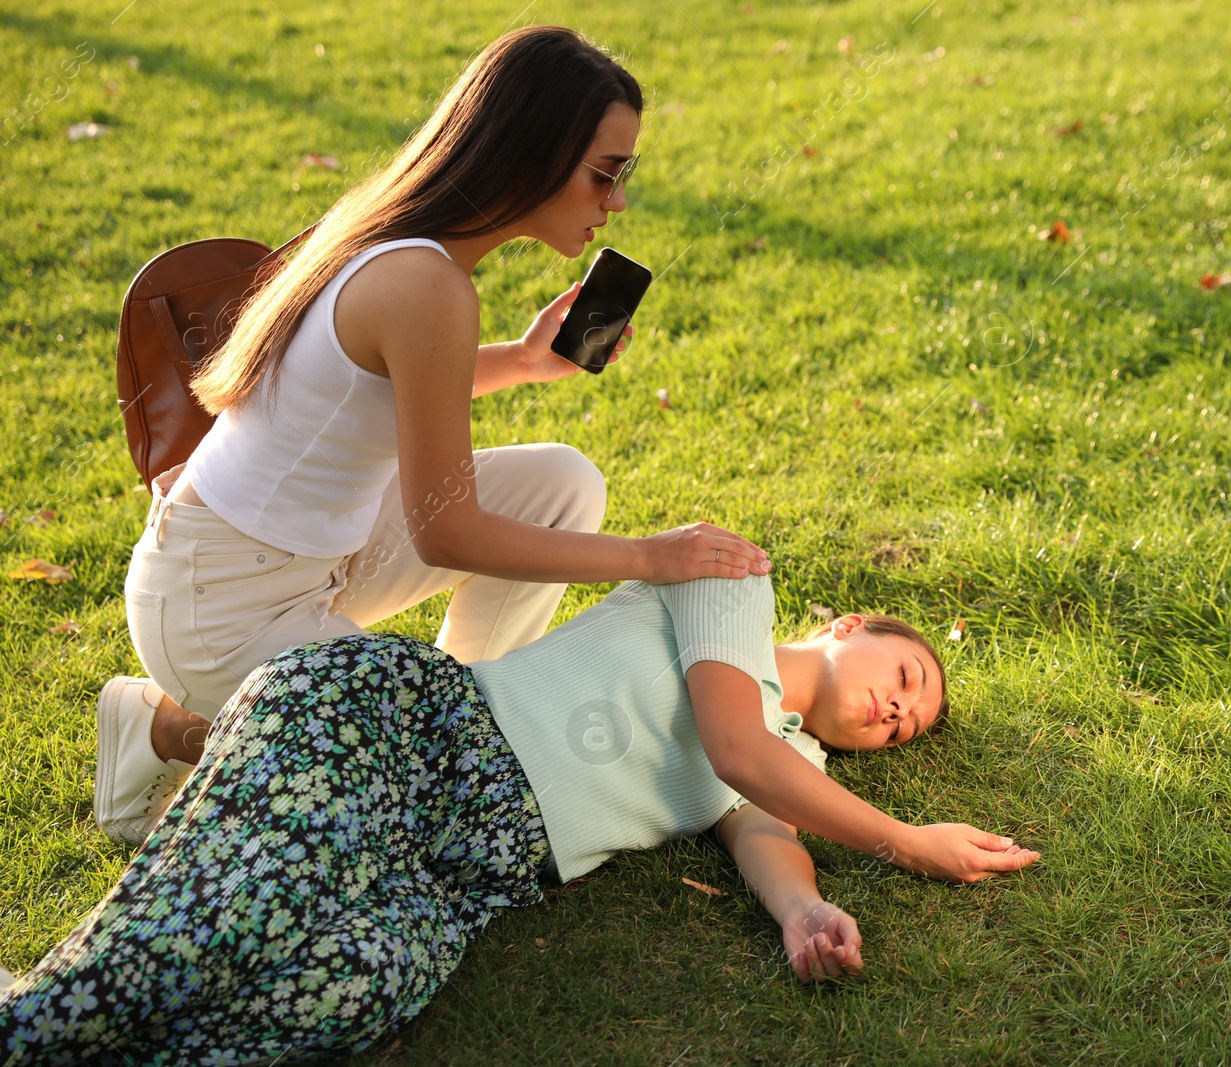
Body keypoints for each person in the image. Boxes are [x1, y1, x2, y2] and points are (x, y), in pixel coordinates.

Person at [99, 24, 772, 846]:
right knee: (396, 794)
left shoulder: (407, 246)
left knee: (564, 484)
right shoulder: (426, 283)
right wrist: (649, 556)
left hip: (308, 561)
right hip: (221, 604)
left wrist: (525, 361)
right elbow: (447, 528)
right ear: (533, 151)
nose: (617, 200)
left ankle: (470, 721)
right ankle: (163, 728)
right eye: (607, 173)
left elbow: (368, 384)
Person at [0, 575, 1040, 1064]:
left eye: (907, 729)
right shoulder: (731, 587)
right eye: (905, 675)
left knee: (344, 993)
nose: (898, 709)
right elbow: (734, 747)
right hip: (408, 727)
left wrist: (801, 915)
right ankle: (32, 1025)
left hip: (466, 871)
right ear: (849, 624)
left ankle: (59, 1014)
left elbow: (767, 830)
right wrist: (909, 840)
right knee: (215, 928)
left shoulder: (797, 769)